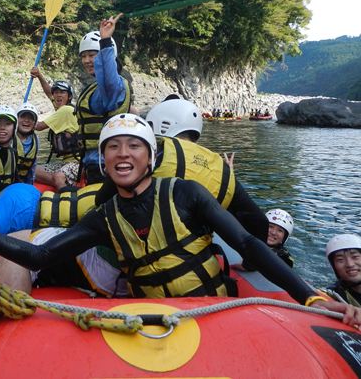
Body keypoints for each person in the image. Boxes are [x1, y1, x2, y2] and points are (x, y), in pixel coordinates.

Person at [0, 113, 361, 326]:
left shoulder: (187, 193)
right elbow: (39, 255)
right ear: (104, 161)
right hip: (154, 316)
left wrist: (310, 299)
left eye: (134, 146)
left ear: (150, 157)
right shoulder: (104, 217)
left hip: (215, 312)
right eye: (113, 147)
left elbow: (248, 244)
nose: (123, 154)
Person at [96, 96, 270, 242]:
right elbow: (259, 222)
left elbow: (102, 201)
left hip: (144, 249)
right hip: (198, 256)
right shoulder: (222, 168)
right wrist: (248, 265)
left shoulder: (152, 156)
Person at [74, 13, 132, 184]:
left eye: (92, 55)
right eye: (83, 56)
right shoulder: (96, 87)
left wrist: (105, 41)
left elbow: (108, 78)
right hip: (93, 162)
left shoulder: (112, 85)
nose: (87, 60)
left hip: (104, 165)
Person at [30, 75, 81, 188]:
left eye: (62, 92)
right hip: (66, 162)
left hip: (78, 163)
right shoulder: (63, 107)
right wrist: (39, 75)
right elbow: (49, 93)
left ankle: (65, 189)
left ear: (69, 96)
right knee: (33, 169)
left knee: (57, 177)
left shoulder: (66, 110)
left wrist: (18, 120)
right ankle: (62, 181)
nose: (58, 95)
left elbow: (39, 126)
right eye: (56, 92)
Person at [325, 234, 361, 307]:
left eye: (355, 257)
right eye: (340, 260)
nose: (350, 264)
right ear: (334, 266)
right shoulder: (332, 295)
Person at [14, 102, 39, 185]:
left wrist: (30, 186)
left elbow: (32, 168)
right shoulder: (8, 136)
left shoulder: (35, 140)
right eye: (23, 116)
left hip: (22, 184)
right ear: (16, 120)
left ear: (34, 123)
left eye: (31, 118)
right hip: (5, 184)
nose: (27, 120)